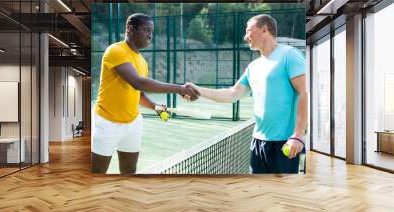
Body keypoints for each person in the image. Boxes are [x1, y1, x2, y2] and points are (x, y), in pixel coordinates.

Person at [187, 14, 307, 174]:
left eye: (248, 31)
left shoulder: (289, 55)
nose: (245, 37)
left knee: (281, 196)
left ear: (264, 29)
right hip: (257, 142)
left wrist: (298, 135)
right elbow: (232, 94)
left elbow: (304, 93)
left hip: (285, 143)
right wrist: (198, 90)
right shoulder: (253, 67)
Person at [92, 13, 200, 174]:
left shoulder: (142, 61)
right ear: (130, 29)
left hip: (133, 124)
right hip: (107, 123)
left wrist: (155, 106)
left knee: (129, 170)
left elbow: (139, 95)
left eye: (152, 31)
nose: (150, 35)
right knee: (97, 172)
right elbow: (137, 82)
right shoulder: (115, 51)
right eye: (146, 30)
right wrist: (179, 88)